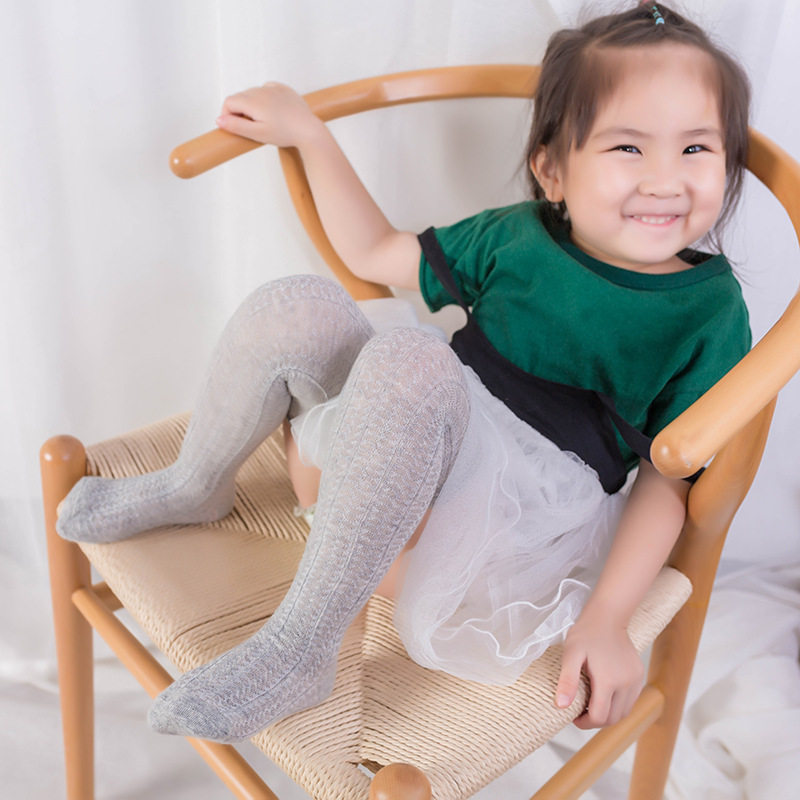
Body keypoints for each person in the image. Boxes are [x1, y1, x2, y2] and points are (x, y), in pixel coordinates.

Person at [55, 2, 752, 743]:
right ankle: (195, 483)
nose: (665, 180)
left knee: (413, 359)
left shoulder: (707, 312)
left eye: (695, 148)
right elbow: (373, 252)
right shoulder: (519, 237)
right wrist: (310, 135)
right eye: (628, 147)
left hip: (485, 539)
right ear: (553, 169)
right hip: (380, 459)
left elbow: (669, 481)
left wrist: (609, 619)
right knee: (302, 307)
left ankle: (302, 648)